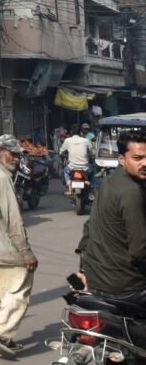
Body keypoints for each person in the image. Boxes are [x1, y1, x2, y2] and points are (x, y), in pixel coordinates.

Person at [0, 134, 38, 360]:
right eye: (12, 154)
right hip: (6, 249)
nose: (16, 159)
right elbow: (14, 221)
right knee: (19, 292)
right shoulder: (2, 178)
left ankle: (3, 339)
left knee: (0, 297)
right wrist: (27, 253)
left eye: (18, 155)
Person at [75, 130, 146, 309]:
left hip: (97, 281)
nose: (144, 163)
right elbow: (140, 250)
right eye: (137, 158)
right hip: (126, 288)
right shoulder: (132, 192)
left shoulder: (109, 182)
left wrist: (83, 271)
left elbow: (88, 228)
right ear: (122, 159)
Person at [60, 125, 95, 195]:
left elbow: (61, 152)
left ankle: (69, 188)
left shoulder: (67, 140)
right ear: (81, 132)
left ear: (71, 132)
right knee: (93, 169)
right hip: (85, 168)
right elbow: (93, 152)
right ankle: (92, 187)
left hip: (72, 167)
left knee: (65, 171)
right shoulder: (86, 140)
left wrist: (62, 154)